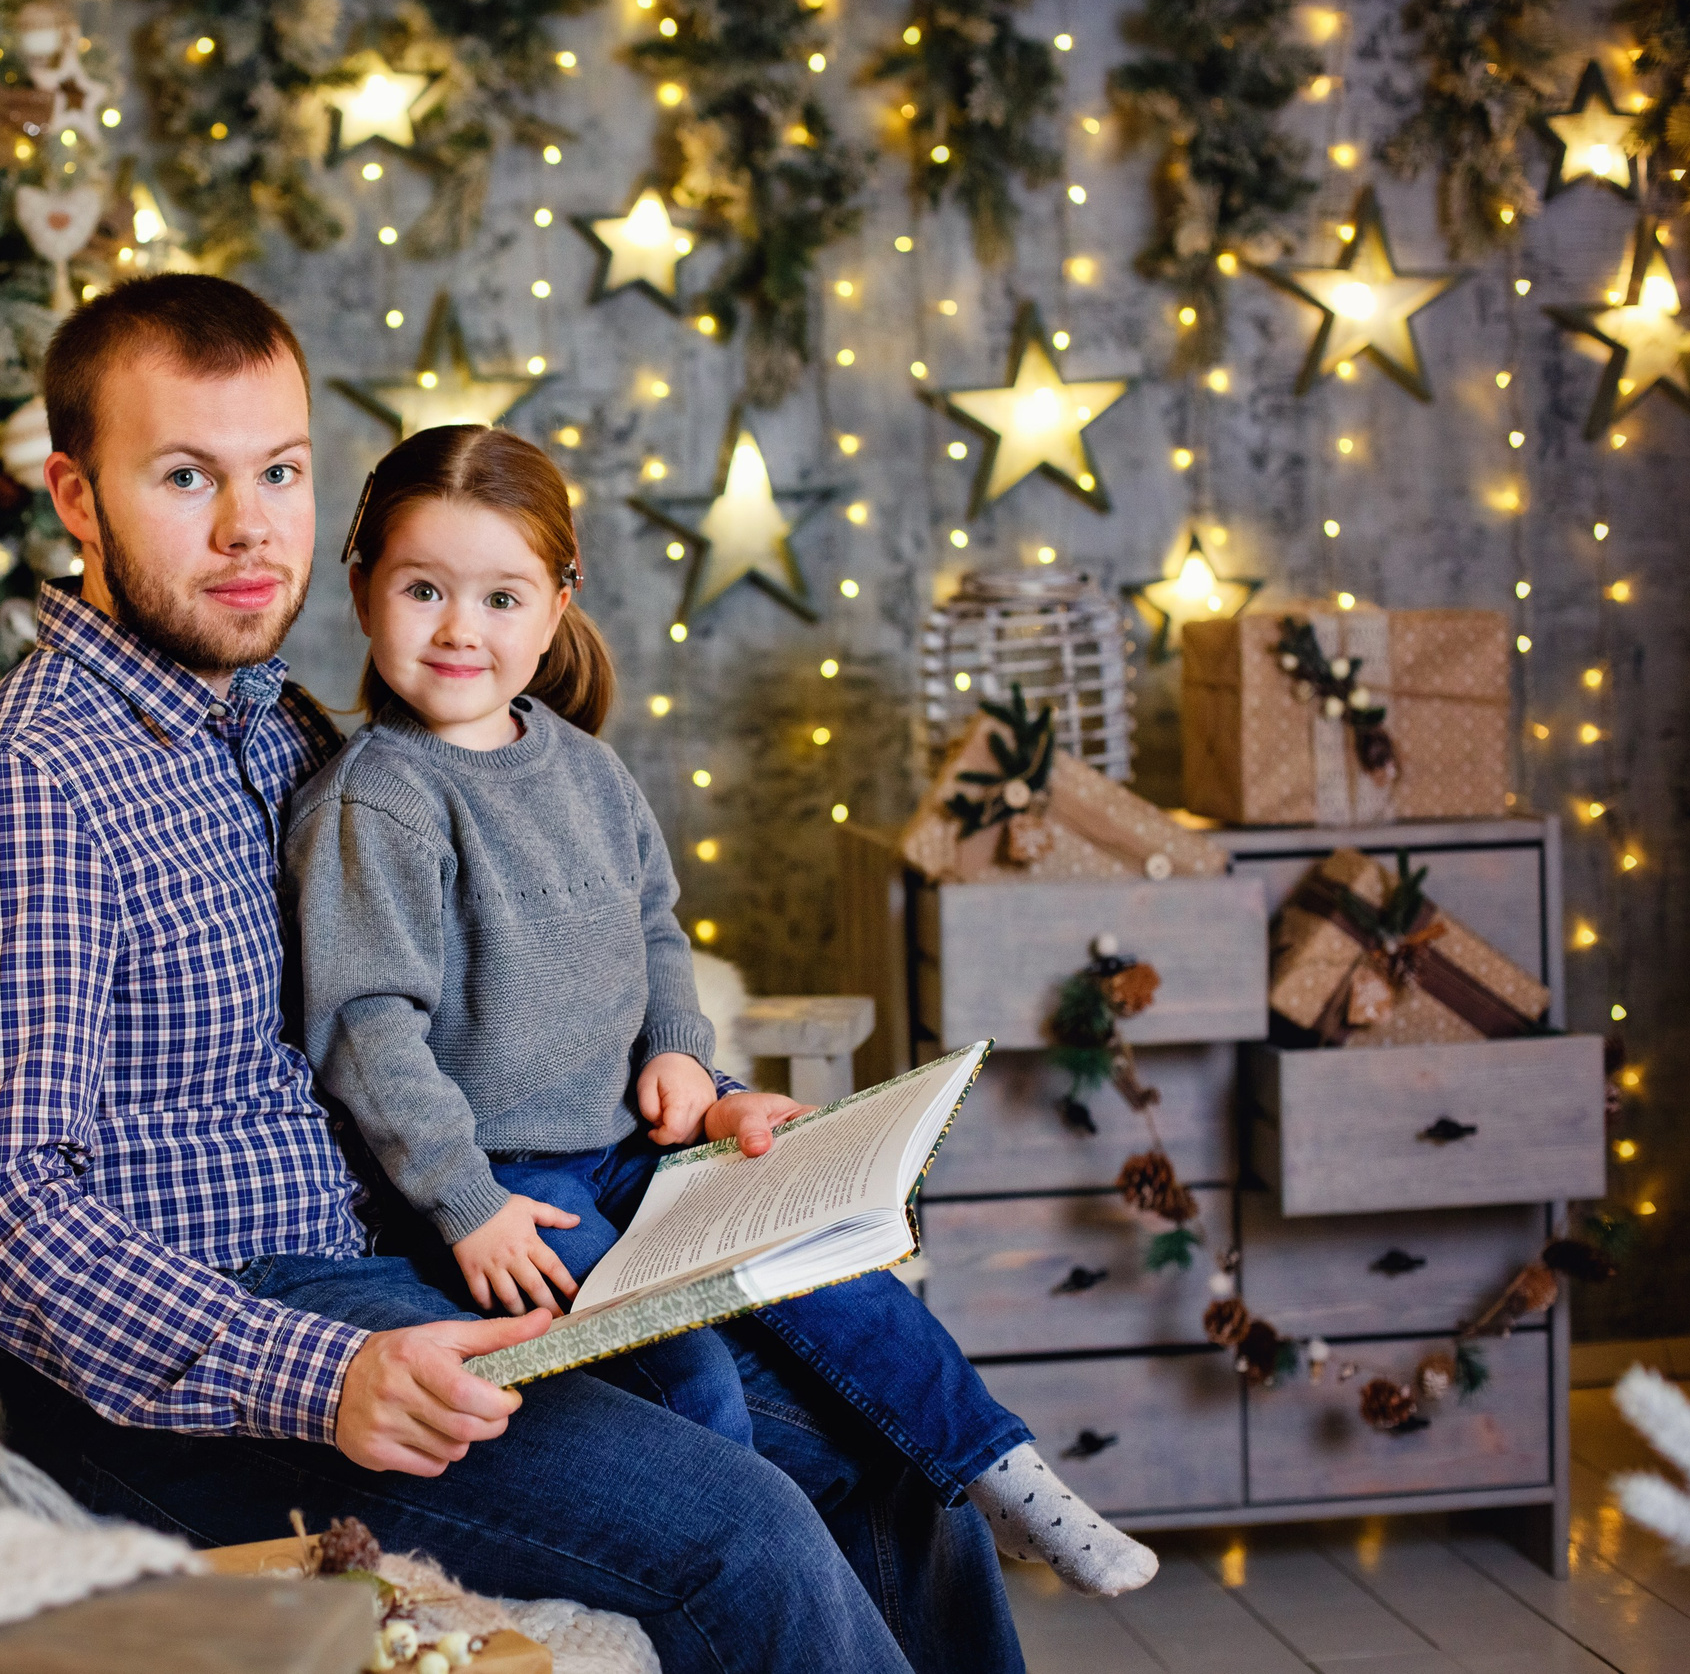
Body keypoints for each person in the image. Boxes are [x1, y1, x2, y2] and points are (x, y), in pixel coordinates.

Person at [0, 271, 1029, 1673]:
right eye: (186, 475)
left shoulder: (281, 725)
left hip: (417, 1267)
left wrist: (701, 1092)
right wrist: (320, 1372)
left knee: (885, 1446)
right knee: (748, 1532)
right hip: (218, 1376)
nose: (250, 528)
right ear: (77, 496)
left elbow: (509, 984)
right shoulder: (31, 783)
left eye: (282, 472)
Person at [283, 423, 1159, 1599]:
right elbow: (366, 1027)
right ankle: (758, 1589)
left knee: (830, 1271)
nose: (458, 630)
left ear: (556, 602)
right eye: (422, 590)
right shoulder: (379, 800)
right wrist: (466, 1203)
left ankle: (1003, 1471)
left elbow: (653, 933)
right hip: (509, 1181)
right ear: (362, 590)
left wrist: (681, 1056)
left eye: (499, 596)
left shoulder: (585, 770)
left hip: (629, 1147)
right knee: (679, 1364)